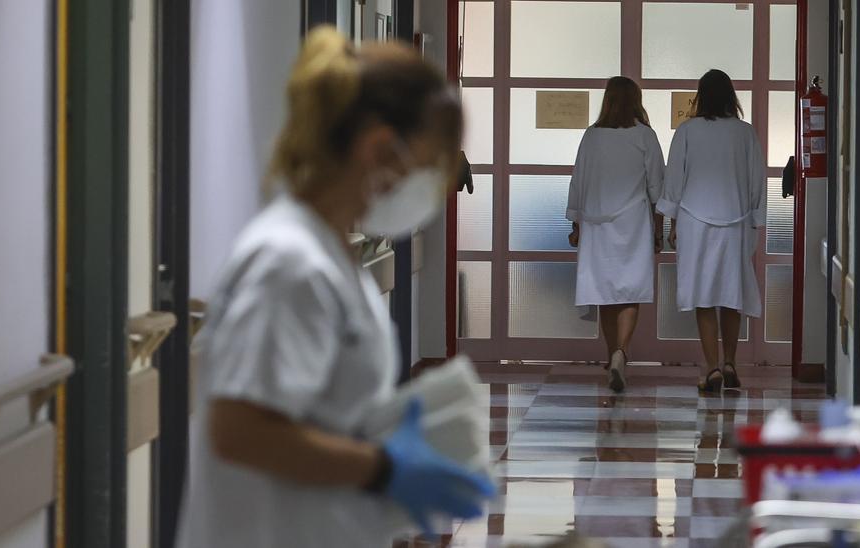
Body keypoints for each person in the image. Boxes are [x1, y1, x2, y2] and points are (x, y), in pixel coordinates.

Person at [177, 29, 494, 548]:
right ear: (378, 149)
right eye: (427, 165)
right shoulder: (287, 262)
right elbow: (239, 430)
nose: (434, 189)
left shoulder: (329, 255)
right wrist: (384, 468)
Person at [657, 69, 765, 394]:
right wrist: (755, 219)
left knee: (704, 297)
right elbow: (756, 178)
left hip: (694, 219)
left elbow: (675, 177)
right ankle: (731, 361)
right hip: (735, 220)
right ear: (732, 96)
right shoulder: (745, 133)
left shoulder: (687, 131)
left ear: (700, 96)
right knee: (732, 294)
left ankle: (712, 367)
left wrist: (672, 221)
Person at [566, 76, 665, 393]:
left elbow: (578, 181)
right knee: (629, 290)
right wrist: (660, 229)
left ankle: (613, 355)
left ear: (607, 100)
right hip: (633, 223)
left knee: (605, 291)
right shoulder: (645, 137)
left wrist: (575, 223)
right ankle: (621, 351)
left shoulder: (592, 136)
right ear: (637, 100)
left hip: (596, 224)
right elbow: (657, 188)